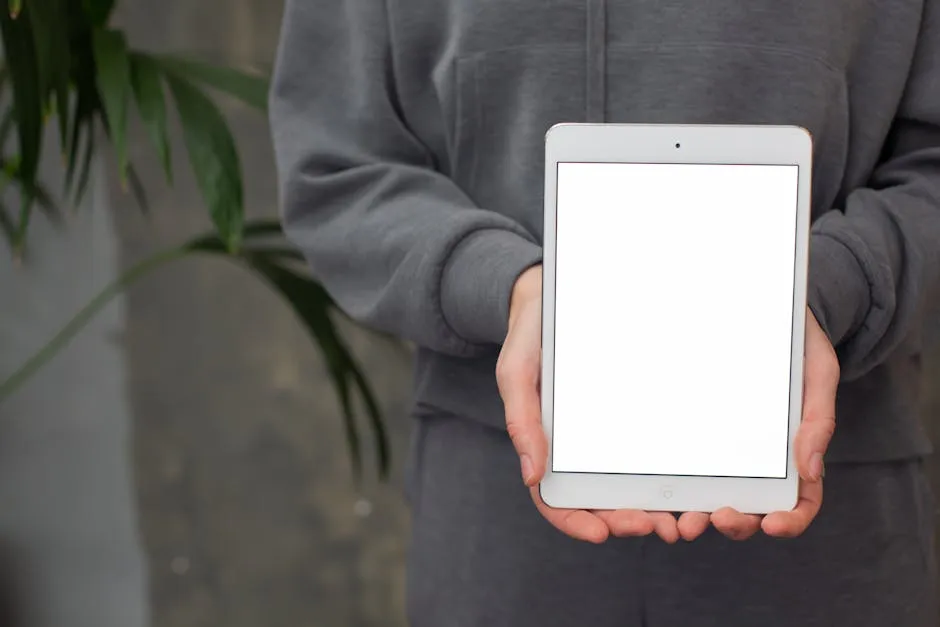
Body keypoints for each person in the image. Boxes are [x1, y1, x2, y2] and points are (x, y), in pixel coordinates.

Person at [269, 0, 940, 624]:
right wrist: (506, 284)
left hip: (826, 507)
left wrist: (827, 287)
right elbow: (337, 166)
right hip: (500, 514)